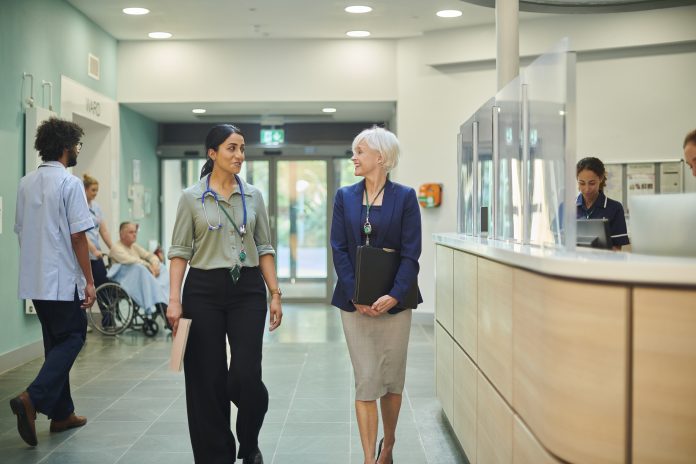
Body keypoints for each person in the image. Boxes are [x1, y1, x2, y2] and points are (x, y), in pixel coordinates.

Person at [167, 124, 282, 464]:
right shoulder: (191, 198)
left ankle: (249, 443)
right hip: (202, 289)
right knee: (206, 378)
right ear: (213, 153)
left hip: (247, 289)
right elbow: (178, 252)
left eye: (242, 149)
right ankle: (216, 455)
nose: (239, 156)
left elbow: (264, 247)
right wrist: (174, 300)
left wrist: (275, 292)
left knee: (246, 375)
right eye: (232, 148)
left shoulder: (254, 196)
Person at [330, 126, 422, 464]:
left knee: (391, 380)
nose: (354, 157)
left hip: (395, 306)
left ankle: (389, 445)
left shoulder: (406, 197)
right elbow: (338, 248)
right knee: (366, 378)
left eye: (360, 151)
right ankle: (370, 458)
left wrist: (395, 296)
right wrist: (357, 294)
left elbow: (412, 253)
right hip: (355, 306)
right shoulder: (345, 196)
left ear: (380, 158)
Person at [10, 117, 96, 447]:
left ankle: (62, 414)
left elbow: (21, 231)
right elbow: (78, 235)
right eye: (76, 145)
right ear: (65, 147)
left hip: (35, 279)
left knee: (54, 343)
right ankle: (32, 398)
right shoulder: (70, 184)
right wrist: (88, 281)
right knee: (74, 336)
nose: (76, 151)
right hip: (61, 279)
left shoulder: (26, 182)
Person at [109, 222, 169, 318]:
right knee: (139, 268)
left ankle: (164, 299)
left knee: (162, 267)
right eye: (131, 232)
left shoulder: (134, 246)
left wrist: (155, 264)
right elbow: (131, 260)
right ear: (122, 234)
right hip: (126, 281)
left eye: (135, 232)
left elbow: (148, 255)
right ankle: (160, 302)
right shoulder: (116, 248)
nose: (134, 234)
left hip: (142, 278)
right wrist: (149, 266)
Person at [576, 156, 629, 250]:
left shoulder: (615, 208)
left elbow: (616, 249)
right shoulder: (566, 207)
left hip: (602, 262)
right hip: (573, 262)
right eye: (582, 183)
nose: (587, 189)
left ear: (600, 179)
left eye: (592, 183)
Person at [83, 174, 114, 326]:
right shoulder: (79, 206)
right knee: (83, 288)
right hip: (84, 254)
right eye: (93, 190)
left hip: (96, 255)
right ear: (85, 189)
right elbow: (80, 234)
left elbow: (103, 230)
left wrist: (113, 248)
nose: (95, 193)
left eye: (97, 190)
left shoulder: (96, 207)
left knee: (103, 285)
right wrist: (93, 250)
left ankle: (108, 321)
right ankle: (82, 323)